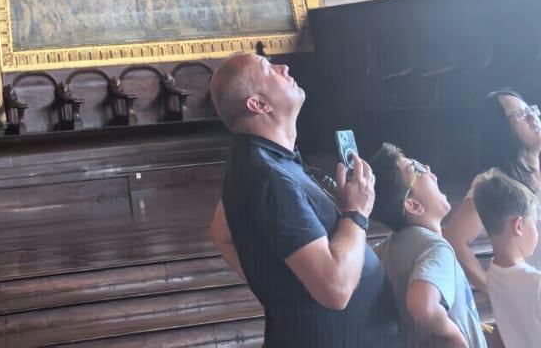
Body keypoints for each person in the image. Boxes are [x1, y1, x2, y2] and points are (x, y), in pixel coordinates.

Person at [208, 50, 399, 346]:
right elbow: (335, 289)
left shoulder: (261, 160)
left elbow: (221, 232)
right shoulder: (269, 176)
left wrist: (282, 291)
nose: (284, 67)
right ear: (258, 104)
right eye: (269, 69)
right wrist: (357, 213)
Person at [370, 143, 482, 346]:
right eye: (416, 169)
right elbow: (422, 305)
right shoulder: (436, 248)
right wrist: (455, 336)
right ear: (414, 205)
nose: (428, 169)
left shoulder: (385, 249)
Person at [445, 88, 541, 294]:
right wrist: (492, 289)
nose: (533, 118)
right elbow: (454, 239)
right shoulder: (495, 182)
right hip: (530, 298)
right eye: (520, 114)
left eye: (531, 110)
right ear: (500, 131)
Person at [471, 167, 541, 347]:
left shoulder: (493, 275)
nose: (537, 232)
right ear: (518, 225)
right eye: (534, 223)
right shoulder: (536, 283)